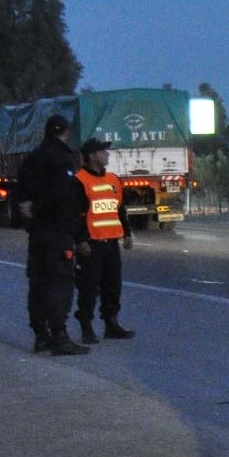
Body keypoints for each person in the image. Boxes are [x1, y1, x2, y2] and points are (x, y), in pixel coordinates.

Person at [15, 114, 90, 356]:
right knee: (60, 283)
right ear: (65, 133)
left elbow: (19, 190)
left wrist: (27, 208)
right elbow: (62, 195)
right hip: (57, 231)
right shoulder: (63, 159)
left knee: (38, 283)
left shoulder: (32, 158)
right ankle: (59, 336)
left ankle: (41, 336)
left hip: (37, 233)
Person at [73, 137, 135, 343]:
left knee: (112, 285)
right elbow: (76, 215)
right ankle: (86, 327)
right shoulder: (79, 180)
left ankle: (111, 323)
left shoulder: (113, 180)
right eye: (103, 151)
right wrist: (80, 240)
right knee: (88, 287)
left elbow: (120, 209)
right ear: (92, 156)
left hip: (111, 243)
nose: (107, 154)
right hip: (91, 245)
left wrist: (127, 233)